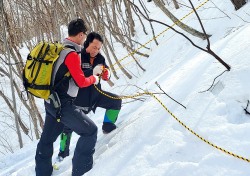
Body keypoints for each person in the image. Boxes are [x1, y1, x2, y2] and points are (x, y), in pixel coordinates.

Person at [35, 19, 103, 176]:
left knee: (46, 140)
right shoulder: (71, 54)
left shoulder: (59, 48)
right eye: (85, 35)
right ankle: (81, 172)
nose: (85, 38)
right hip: (63, 105)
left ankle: (42, 173)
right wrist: (94, 77)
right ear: (80, 34)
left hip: (51, 101)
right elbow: (81, 81)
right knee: (90, 131)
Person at [57, 32, 122, 160]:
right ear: (87, 43)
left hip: (96, 96)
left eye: (98, 48)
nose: (96, 51)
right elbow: (76, 76)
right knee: (68, 127)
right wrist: (91, 72)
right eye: (94, 47)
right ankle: (63, 153)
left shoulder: (100, 58)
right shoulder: (78, 56)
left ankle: (108, 127)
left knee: (116, 102)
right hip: (78, 100)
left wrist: (106, 74)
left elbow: (106, 72)